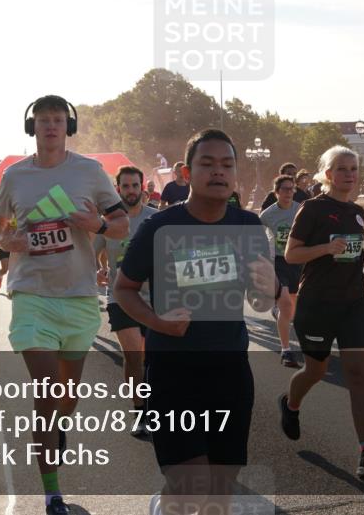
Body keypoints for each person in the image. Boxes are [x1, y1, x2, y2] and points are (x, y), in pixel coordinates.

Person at [114, 129, 274, 515]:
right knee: (192, 485)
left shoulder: (249, 226)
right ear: (186, 171)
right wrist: (158, 322)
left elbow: (261, 299)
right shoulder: (158, 227)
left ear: (236, 174)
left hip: (230, 370)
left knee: (219, 492)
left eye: (227, 164)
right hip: (173, 371)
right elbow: (124, 290)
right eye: (207, 164)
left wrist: (271, 288)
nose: (218, 172)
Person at [0, 95, 128, 515]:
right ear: (32, 127)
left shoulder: (89, 172)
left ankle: (59, 427)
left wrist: (97, 224)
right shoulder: (16, 176)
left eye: (58, 120)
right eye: (43, 120)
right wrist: (7, 240)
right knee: (47, 394)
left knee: (68, 395)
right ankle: (53, 495)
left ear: (69, 126)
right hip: (32, 295)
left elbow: (121, 225)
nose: (50, 126)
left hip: (80, 297)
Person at [278, 146, 364, 478]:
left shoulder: (356, 211)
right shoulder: (312, 209)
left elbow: (347, 249)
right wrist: (325, 248)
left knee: (358, 374)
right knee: (316, 371)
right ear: (327, 174)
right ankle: (290, 403)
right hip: (317, 304)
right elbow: (291, 255)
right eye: (342, 168)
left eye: (354, 168)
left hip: (354, 303)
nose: (350, 174)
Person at [93, 166, 157, 434]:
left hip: (155, 299)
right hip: (120, 298)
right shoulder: (108, 223)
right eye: (125, 186)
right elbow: (91, 255)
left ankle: (155, 405)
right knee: (134, 356)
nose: (131, 191)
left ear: (143, 187)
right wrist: (99, 270)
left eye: (135, 185)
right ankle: (140, 411)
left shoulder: (157, 219)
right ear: (117, 189)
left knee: (154, 359)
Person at [259, 175, 303, 368]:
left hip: (299, 260)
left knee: (292, 308)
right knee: (286, 304)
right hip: (278, 262)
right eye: (284, 189)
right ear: (276, 192)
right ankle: (286, 350)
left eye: (291, 189)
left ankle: (279, 311)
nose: (288, 193)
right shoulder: (267, 215)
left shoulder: (301, 210)